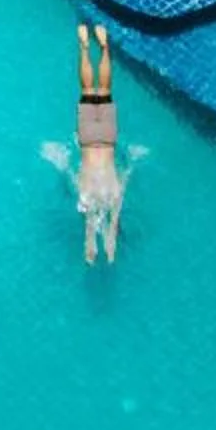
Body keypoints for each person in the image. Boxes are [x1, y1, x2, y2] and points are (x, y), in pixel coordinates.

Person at [75, 22, 124, 263]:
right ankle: (85, 47)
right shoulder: (87, 192)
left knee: (103, 89)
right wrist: (95, 245)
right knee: (88, 89)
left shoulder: (115, 192)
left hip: (106, 138)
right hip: (87, 140)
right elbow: (95, 223)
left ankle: (102, 46)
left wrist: (101, 245)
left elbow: (110, 222)